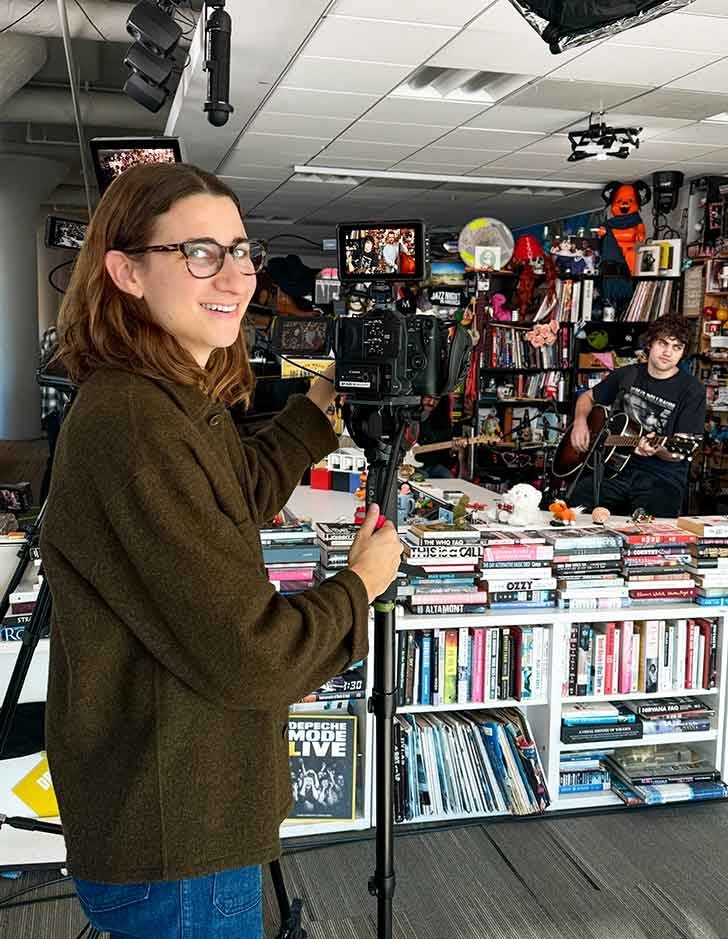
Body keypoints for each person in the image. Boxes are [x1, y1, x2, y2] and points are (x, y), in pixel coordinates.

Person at [39, 162, 403, 939]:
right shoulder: (135, 423)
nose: (235, 274)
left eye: (241, 250)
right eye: (199, 252)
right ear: (127, 271)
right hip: (177, 829)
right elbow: (253, 655)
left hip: (179, 808)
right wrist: (360, 586)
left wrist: (318, 406)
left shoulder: (163, 396)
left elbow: (234, 489)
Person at [568, 314, 705, 517]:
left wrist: (657, 449)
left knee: (649, 528)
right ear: (650, 343)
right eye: (663, 343)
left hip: (661, 478)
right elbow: (587, 398)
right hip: (615, 469)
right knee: (573, 506)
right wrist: (580, 422)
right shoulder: (628, 375)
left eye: (677, 347)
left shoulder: (692, 390)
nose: (668, 352)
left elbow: (679, 452)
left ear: (683, 352)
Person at [38, 325, 71, 504]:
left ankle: (45, 504)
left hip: (52, 408)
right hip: (60, 407)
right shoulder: (60, 334)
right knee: (58, 460)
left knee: (54, 458)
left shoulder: (52, 332)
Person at [414, 394, 466, 479]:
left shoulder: (444, 422)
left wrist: (452, 453)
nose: (431, 402)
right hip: (409, 467)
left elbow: (447, 462)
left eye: (436, 399)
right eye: (428, 397)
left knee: (449, 479)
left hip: (433, 468)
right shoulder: (410, 416)